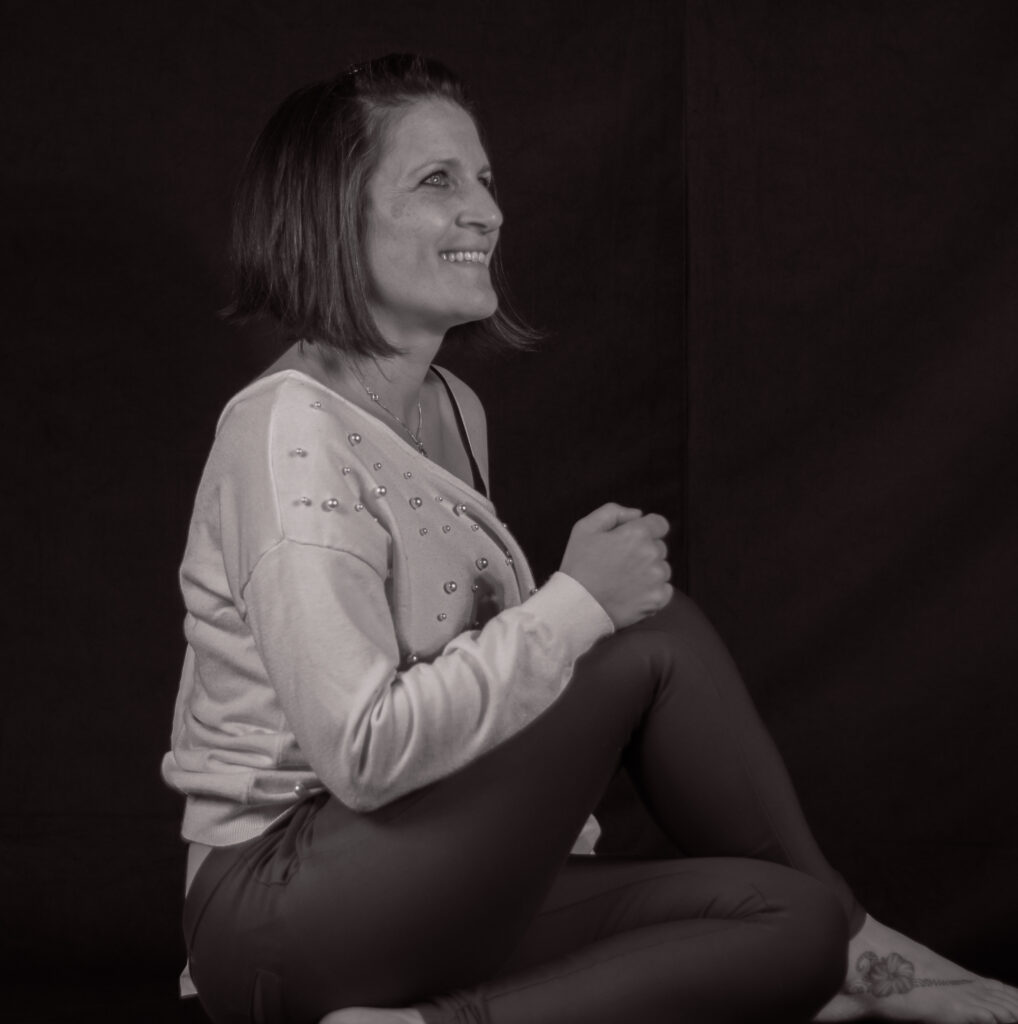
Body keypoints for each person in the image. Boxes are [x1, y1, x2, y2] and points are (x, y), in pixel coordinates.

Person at [162, 54, 1018, 1024]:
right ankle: (865, 948)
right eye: (437, 180)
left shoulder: (451, 406)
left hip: (414, 879)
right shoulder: (291, 432)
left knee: (794, 921)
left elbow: (474, 691)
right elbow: (360, 751)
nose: (487, 211)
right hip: (279, 906)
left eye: (485, 179)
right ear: (330, 215)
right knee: (646, 631)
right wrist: (576, 605)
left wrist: (534, 837)